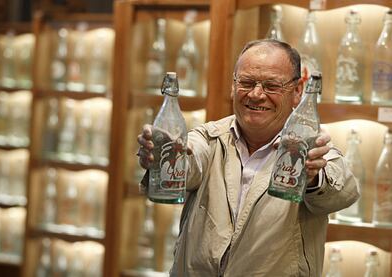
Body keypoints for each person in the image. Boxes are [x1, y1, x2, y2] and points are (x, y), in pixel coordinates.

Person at [136, 39, 359, 277]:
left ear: (297, 92)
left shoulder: (312, 149)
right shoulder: (210, 138)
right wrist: (162, 157)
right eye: (246, 82)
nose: (256, 94)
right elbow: (190, 158)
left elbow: (343, 191)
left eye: (272, 86)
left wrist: (313, 178)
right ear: (233, 86)